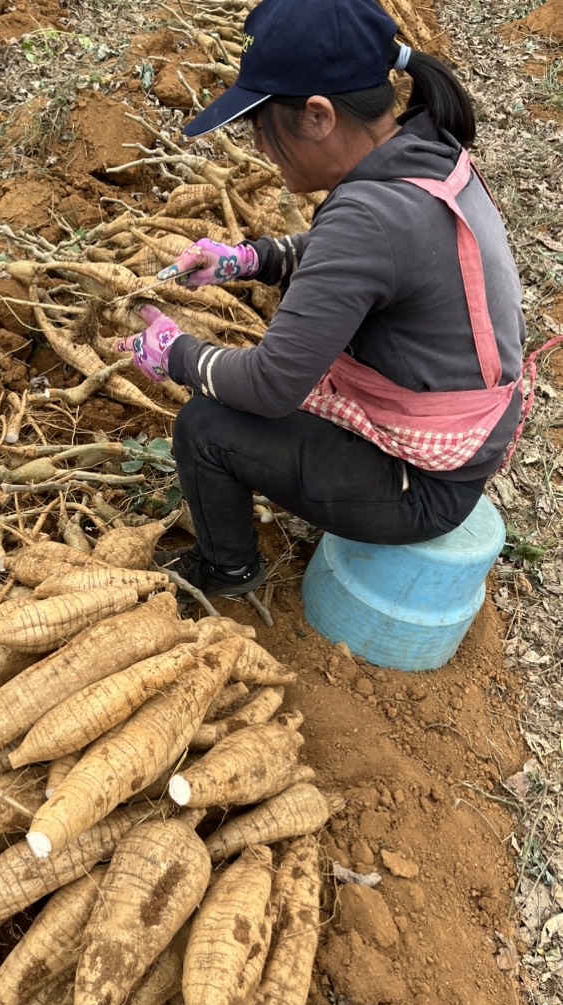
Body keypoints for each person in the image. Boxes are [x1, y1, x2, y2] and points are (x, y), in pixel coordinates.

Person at [118, 0, 528, 600]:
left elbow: (268, 387)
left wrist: (175, 353)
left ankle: (227, 573)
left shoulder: (369, 217)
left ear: (317, 115)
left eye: (262, 127)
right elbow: (356, 256)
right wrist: (248, 258)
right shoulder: (424, 150)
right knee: (252, 372)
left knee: (206, 423)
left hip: (422, 487)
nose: (262, 146)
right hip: (461, 442)